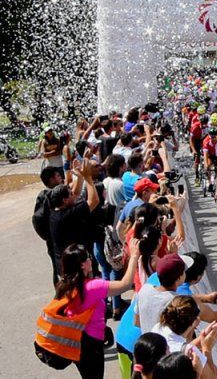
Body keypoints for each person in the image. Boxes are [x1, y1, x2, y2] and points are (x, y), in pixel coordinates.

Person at [53, 242, 138, 379]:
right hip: (91, 345)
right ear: (82, 265)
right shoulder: (92, 287)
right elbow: (125, 284)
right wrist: (134, 255)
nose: (91, 260)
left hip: (76, 341)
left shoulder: (64, 285)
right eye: (88, 258)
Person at [49, 160, 102, 268]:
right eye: (70, 194)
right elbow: (94, 201)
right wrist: (88, 177)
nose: (73, 194)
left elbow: (76, 193)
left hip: (65, 262)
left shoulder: (56, 211)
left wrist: (80, 177)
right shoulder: (68, 215)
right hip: (76, 265)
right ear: (64, 200)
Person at [33, 165, 65, 283]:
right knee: (64, 270)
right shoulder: (55, 196)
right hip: (58, 240)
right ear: (51, 180)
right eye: (58, 175)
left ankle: (59, 290)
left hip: (50, 240)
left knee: (56, 269)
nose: (60, 177)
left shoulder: (42, 195)